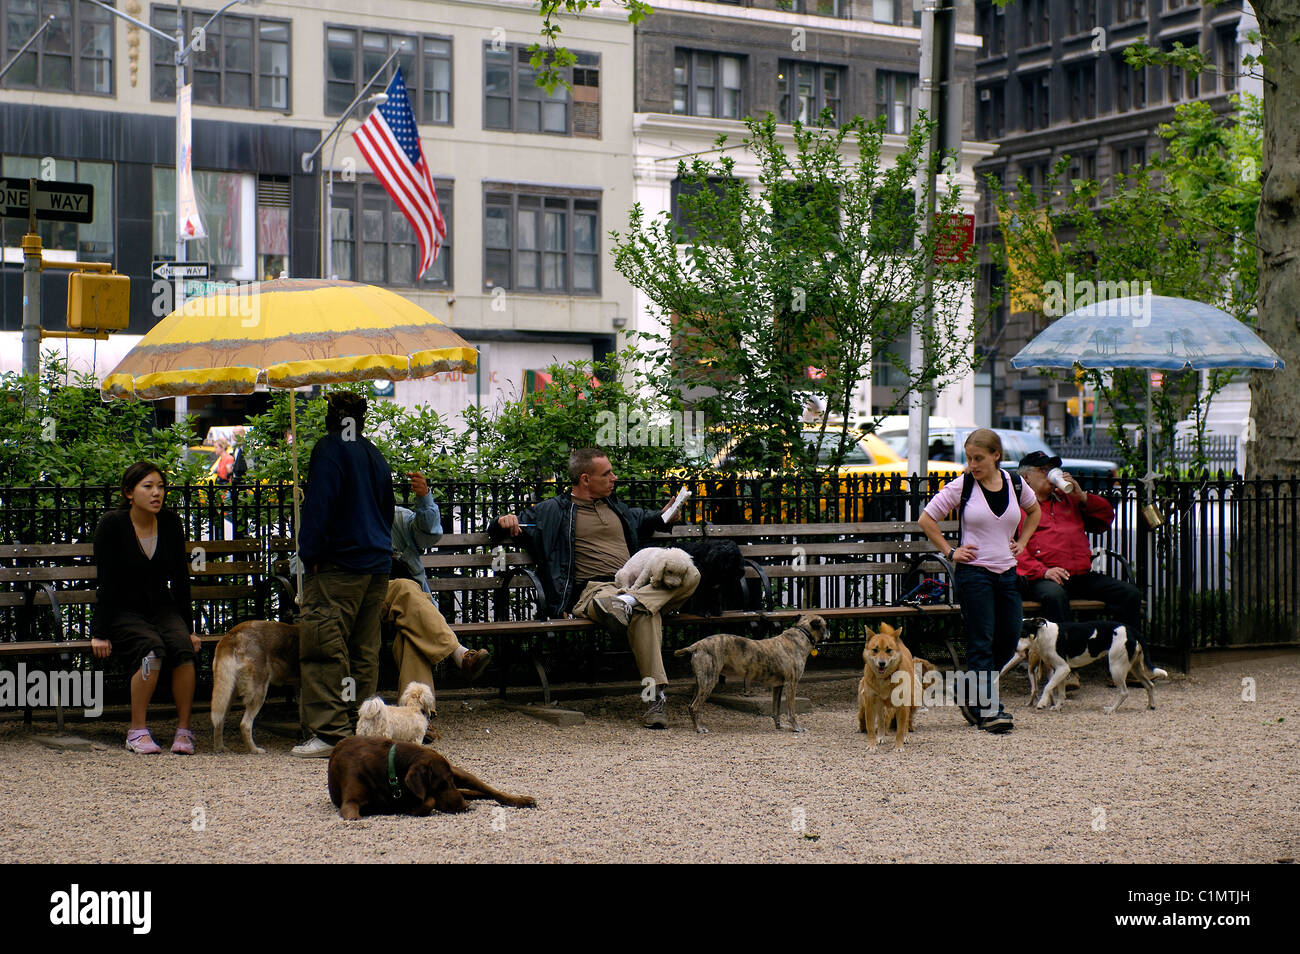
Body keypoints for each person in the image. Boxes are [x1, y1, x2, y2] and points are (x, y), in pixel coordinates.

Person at [489, 448, 698, 729]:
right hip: (595, 590)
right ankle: (654, 698)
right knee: (646, 613)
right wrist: (503, 521)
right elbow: (501, 529)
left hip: (633, 585)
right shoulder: (553, 511)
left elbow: (649, 519)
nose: (614, 478)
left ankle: (630, 601)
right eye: (607, 473)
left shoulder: (616, 508)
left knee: (692, 574)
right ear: (585, 479)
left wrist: (666, 516)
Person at [291, 392, 395, 759]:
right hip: (376, 563)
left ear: (331, 418)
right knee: (363, 651)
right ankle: (361, 725)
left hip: (339, 566)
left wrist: (311, 553)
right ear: (361, 419)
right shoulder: (373, 454)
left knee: (325, 645)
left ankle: (331, 732)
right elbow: (388, 510)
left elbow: (320, 506)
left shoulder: (329, 450)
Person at [919, 428, 1041, 733]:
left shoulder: (1015, 483)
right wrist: (950, 551)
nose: (972, 464)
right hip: (975, 574)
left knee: (1009, 638)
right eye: (969, 458)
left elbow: (1034, 510)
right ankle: (990, 709)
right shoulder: (963, 486)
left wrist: (1023, 542)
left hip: (1007, 572)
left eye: (978, 458)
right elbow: (926, 518)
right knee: (981, 641)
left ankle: (970, 692)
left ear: (996, 455)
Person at [90, 462, 202, 754]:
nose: (156, 493)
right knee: (151, 651)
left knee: (183, 649)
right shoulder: (112, 525)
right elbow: (107, 581)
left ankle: (184, 730)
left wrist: (188, 630)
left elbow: (180, 578)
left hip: (161, 608)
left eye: (161, 487)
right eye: (148, 486)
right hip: (124, 610)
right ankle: (137, 730)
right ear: (129, 492)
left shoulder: (170, 523)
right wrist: (99, 633)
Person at [1014, 451, 1150, 664]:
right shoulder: (1017, 507)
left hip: (1080, 574)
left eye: (1052, 469)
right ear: (1026, 477)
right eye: (1043, 470)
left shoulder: (1068, 500)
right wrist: (1043, 571)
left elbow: (1104, 520)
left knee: (1128, 594)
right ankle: (1063, 666)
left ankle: (1128, 661)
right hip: (1042, 577)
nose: (1050, 474)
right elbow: (1013, 549)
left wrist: (1082, 496)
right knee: (1054, 596)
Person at [384, 470, 490, 702]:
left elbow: (429, 535)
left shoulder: (396, 518)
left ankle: (417, 715)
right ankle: (459, 653)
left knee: (411, 637)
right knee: (406, 587)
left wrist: (424, 498)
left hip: (407, 611)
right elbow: (299, 564)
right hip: (367, 603)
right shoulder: (340, 522)